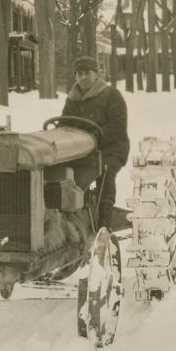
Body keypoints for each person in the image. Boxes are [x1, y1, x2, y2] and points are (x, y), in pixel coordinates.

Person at [61, 55, 130, 229]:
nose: (83, 78)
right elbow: (64, 124)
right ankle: (68, 215)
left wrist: (94, 137)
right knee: (62, 172)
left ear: (96, 74)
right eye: (79, 74)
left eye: (87, 73)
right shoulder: (72, 99)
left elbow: (118, 126)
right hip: (80, 150)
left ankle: (104, 216)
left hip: (111, 147)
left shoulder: (111, 95)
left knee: (105, 171)